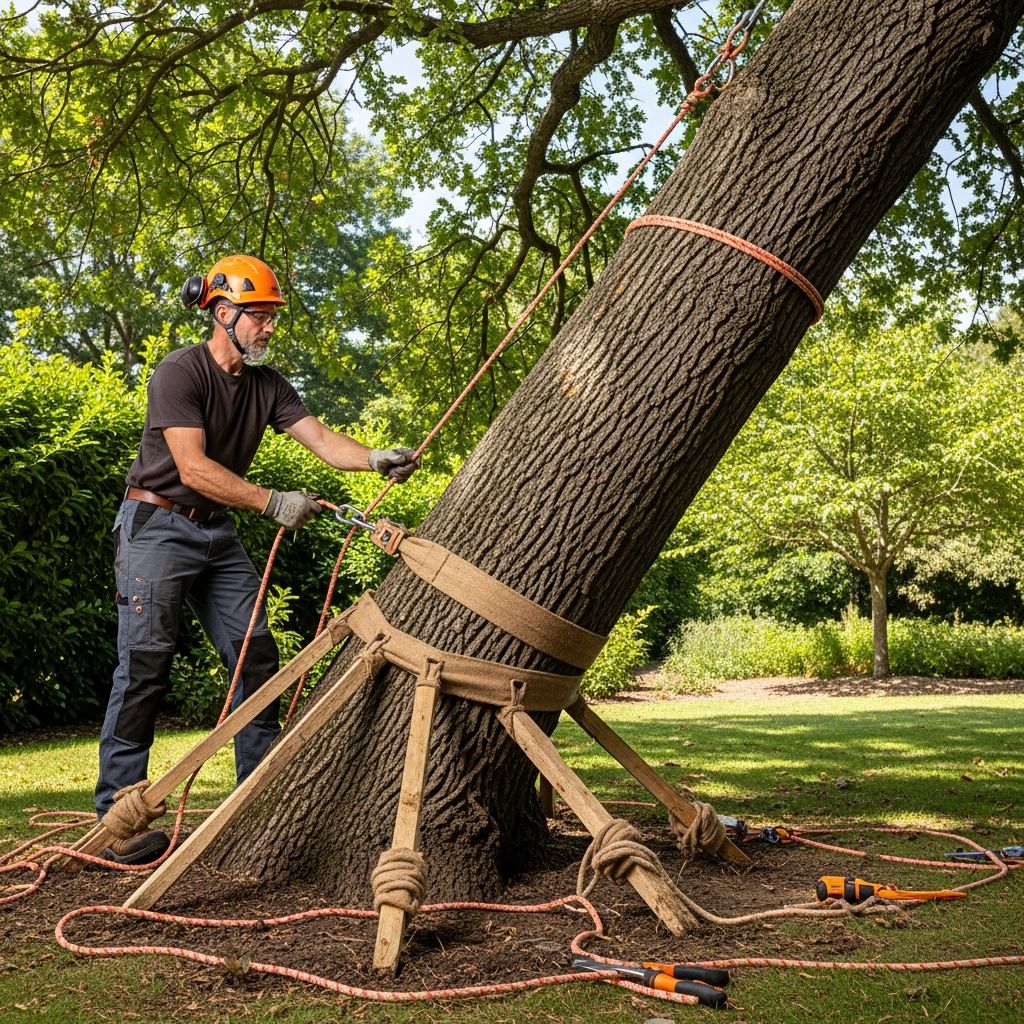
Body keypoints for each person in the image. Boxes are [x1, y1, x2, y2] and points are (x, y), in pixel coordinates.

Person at [95, 254, 419, 863]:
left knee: (257, 651)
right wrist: (272, 502)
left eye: (272, 317)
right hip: (157, 524)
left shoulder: (269, 385)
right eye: (260, 317)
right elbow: (191, 468)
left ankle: (256, 800)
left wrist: (375, 456)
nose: (269, 328)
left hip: (216, 530)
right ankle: (119, 815)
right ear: (223, 313)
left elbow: (321, 441)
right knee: (144, 663)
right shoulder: (179, 372)